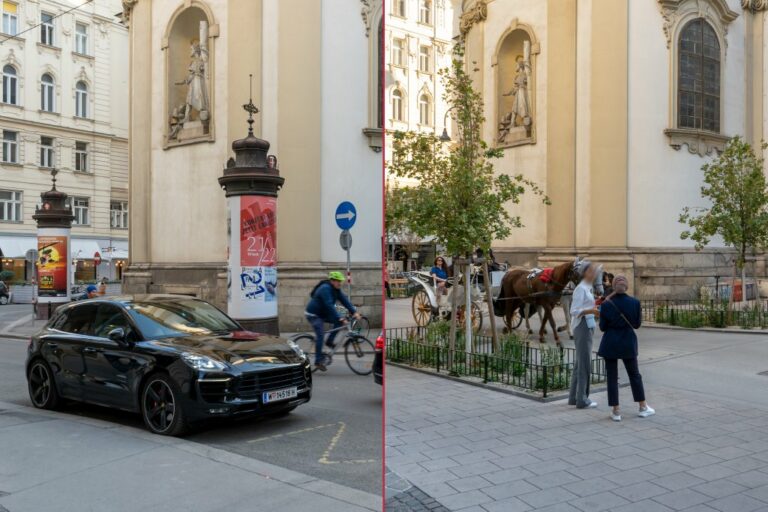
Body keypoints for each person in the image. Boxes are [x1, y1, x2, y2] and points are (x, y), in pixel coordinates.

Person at [597, 274, 655, 422]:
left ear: (613, 287)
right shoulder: (635, 302)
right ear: (627, 287)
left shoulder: (606, 304)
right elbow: (636, 325)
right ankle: (642, 407)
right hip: (628, 343)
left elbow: (602, 327)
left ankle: (616, 411)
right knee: (634, 375)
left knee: (612, 377)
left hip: (610, 343)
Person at [305, 271, 361, 372]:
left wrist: (354, 312)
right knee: (320, 335)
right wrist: (339, 316)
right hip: (313, 314)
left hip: (322, 314)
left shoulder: (336, 290)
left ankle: (329, 341)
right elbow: (329, 305)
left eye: (340, 281)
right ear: (332, 281)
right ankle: (318, 361)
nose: (340, 283)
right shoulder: (325, 289)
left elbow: (345, 301)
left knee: (339, 322)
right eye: (338, 281)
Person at [569, 261, 600, 409]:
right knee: (584, 363)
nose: (595, 273)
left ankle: (573, 398)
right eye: (592, 270)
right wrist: (591, 311)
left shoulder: (587, 287)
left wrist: (593, 308)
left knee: (579, 363)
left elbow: (585, 306)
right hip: (582, 326)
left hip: (587, 325)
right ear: (585, 272)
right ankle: (582, 399)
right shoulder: (580, 289)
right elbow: (574, 311)